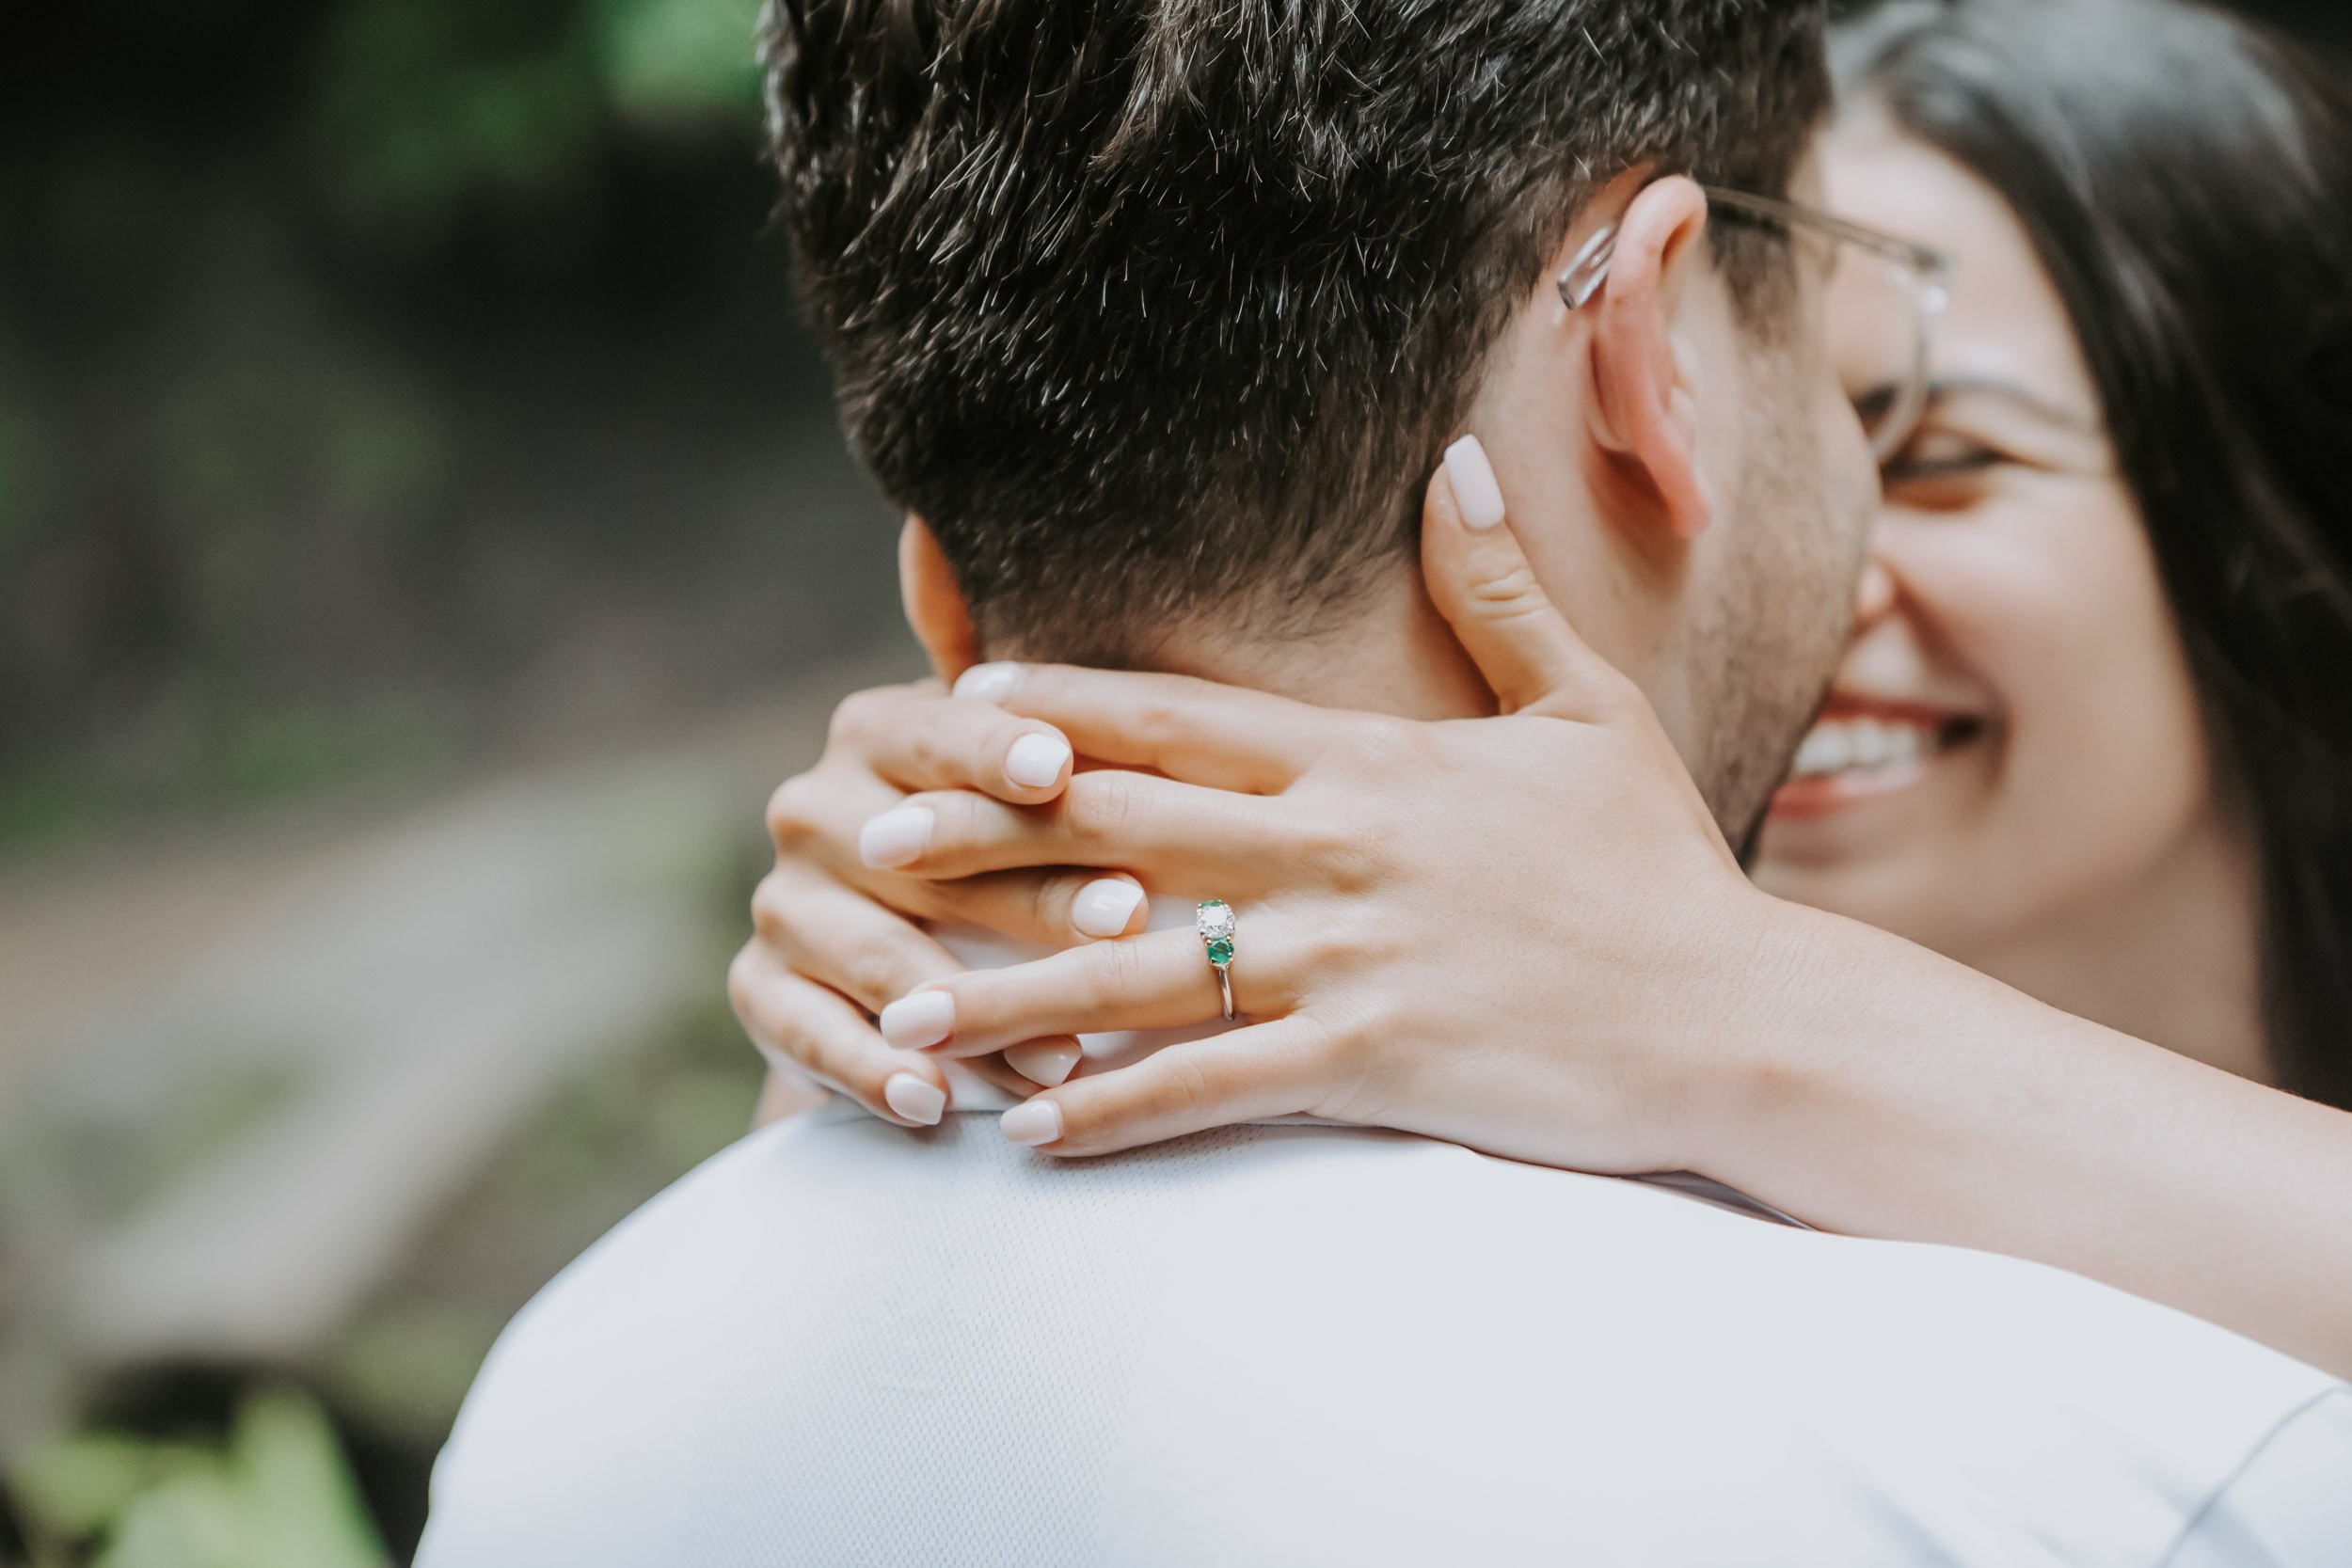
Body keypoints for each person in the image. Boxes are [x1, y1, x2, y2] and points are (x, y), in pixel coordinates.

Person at [419, 1, 2352, 1560]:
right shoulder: (2108, 1470)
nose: (1844, 549)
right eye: (1826, 405)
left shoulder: (558, 1407)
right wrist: (939, 1002)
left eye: (1936, 446)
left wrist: (1736, 999)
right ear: (1652, 365)